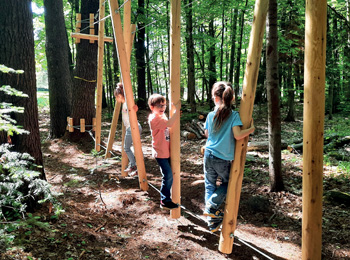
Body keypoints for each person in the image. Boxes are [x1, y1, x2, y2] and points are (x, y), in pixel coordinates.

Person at [203, 81, 255, 232]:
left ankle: (211, 220)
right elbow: (238, 135)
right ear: (231, 98)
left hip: (208, 154)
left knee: (209, 185)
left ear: (216, 98)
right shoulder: (233, 115)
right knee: (228, 183)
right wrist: (251, 129)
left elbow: (207, 134)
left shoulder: (211, 114)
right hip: (223, 159)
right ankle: (211, 207)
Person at [148, 94, 181, 210]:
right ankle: (165, 200)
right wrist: (177, 112)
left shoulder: (162, 116)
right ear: (152, 107)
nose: (162, 108)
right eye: (159, 106)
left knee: (170, 174)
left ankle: (167, 198)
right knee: (167, 175)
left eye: (164, 105)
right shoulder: (154, 119)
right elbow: (170, 124)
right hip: (160, 152)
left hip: (167, 151)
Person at [114, 83, 142, 177]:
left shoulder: (127, 103)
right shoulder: (125, 104)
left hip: (133, 128)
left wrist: (135, 109)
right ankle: (134, 166)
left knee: (126, 148)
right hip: (133, 127)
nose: (116, 99)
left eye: (116, 97)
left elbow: (133, 109)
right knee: (133, 147)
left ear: (120, 95)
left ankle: (134, 165)